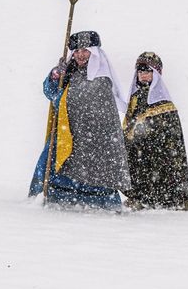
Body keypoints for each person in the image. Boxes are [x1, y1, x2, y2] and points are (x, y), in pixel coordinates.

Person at [28, 31, 131, 210]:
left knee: (92, 171)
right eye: (76, 51)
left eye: (85, 50)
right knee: (57, 162)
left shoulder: (102, 77)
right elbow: (51, 93)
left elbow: (79, 100)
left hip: (95, 138)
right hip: (68, 131)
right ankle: (57, 197)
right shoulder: (68, 70)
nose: (80, 55)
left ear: (94, 52)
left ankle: (94, 201)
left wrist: (63, 97)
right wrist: (54, 76)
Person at [122, 52, 188, 210]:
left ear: (155, 74)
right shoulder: (135, 97)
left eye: (148, 72)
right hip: (138, 146)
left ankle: (169, 198)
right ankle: (139, 196)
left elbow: (168, 129)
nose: (143, 75)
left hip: (159, 148)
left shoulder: (162, 99)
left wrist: (147, 131)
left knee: (163, 165)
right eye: (140, 72)